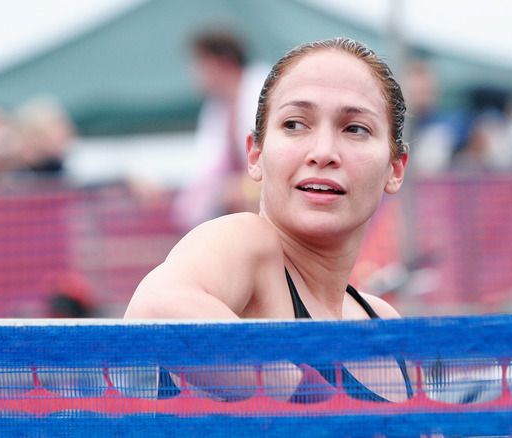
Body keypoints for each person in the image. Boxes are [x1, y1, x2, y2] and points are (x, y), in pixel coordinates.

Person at [125, 37, 412, 403]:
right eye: (294, 124)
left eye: (355, 128)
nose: (323, 153)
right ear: (256, 154)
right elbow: (154, 311)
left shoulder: (383, 322)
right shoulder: (248, 245)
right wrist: (319, 405)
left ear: (395, 168)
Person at [171, 30, 269, 230]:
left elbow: (276, 163)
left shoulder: (266, 90)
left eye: (199, 63)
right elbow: (203, 167)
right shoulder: (216, 107)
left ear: (220, 62)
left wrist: (239, 188)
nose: (194, 72)